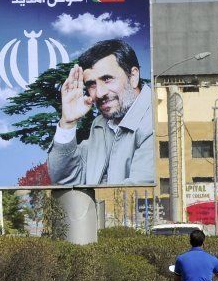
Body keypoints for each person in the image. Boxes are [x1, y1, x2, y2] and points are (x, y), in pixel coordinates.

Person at [47, 39, 154, 185]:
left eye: (107, 79)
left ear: (133, 76)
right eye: (91, 84)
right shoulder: (100, 124)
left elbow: (138, 194)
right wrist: (68, 122)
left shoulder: (157, 120)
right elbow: (64, 180)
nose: (99, 93)